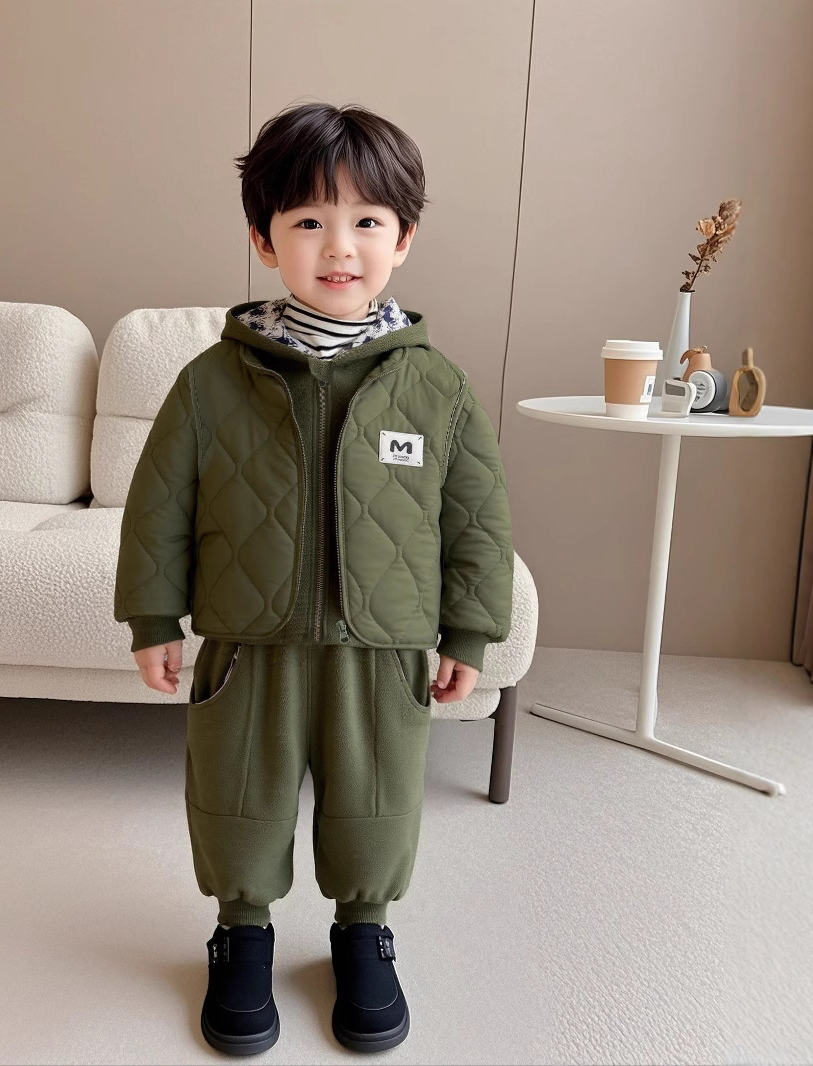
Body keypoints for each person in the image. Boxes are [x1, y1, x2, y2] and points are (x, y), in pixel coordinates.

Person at [113, 100, 514, 1056]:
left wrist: (467, 632)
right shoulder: (211, 382)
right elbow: (159, 504)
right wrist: (152, 619)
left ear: (403, 239)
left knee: (376, 803)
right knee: (237, 798)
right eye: (308, 221)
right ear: (264, 239)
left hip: (383, 648)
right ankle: (242, 931)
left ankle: (363, 932)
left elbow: (476, 520)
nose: (339, 246)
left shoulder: (438, 387)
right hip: (247, 645)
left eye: (367, 220)